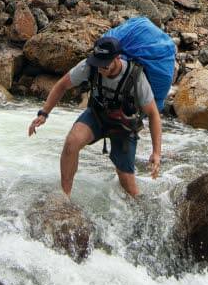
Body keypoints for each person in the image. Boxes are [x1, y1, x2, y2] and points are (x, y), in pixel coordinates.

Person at [27, 34, 162, 197]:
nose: (99, 68)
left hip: (124, 126)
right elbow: (62, 85)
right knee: (72, 142)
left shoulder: (136, 76)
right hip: (97, 116)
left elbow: (153, 114)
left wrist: (156, 153)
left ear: (117, 58)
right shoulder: (89, 65)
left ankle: (139, 210)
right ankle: (65, 197)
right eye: (97, 63)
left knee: (127, 183)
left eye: (104, 65)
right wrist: (44, 113)